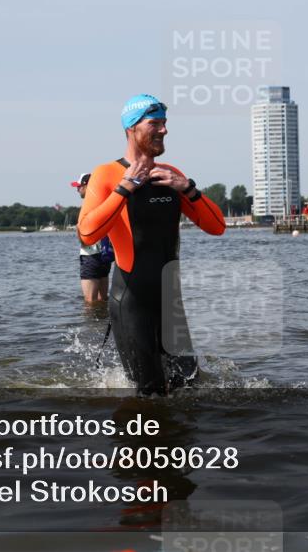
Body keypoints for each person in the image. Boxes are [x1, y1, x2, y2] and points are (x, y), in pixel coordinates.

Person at [77, 94, 225, 395]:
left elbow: (217, 227)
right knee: (150, 394)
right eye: (154, 123)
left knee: (191, 390)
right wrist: (123, 189)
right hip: (132, 301)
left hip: (171, 304)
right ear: (132, 128)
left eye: (165, 123)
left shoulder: (171, 175)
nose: (164, 130)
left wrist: (187, 188)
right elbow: (87, 234)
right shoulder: (107, 175)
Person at [71, 173, 112, 303]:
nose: (77, 189)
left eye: (79, 186)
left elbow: (83, 236)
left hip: (90, 255)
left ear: (86, 186)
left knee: (90, 302)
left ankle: (90, 324)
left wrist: (78, 232)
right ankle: (105, 322)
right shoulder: (105, 202)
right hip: (106, 254)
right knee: (103, 299)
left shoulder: (88, 206)